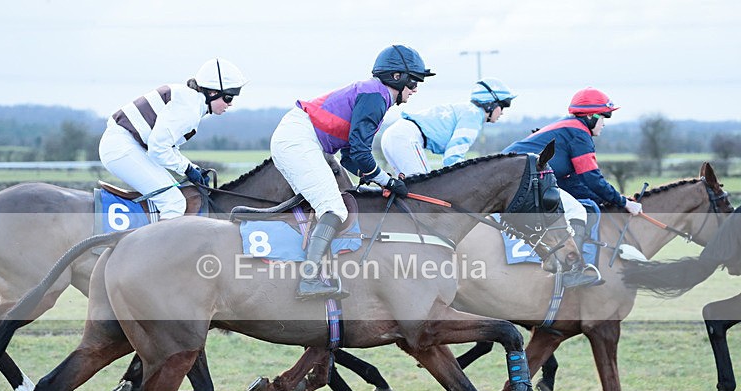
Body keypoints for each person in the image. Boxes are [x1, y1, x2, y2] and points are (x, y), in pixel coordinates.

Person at [271, 44, 434, 300]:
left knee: (331, 204)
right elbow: (360, 154)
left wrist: (379, 182)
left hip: (299, 138)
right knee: (334, 209)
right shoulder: (376, 96)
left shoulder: (375, 95)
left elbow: (349, 157)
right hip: (299, 140)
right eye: (413, 82)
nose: (415, 89)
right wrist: (387, 181)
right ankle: (309, 280)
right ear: (397, 77)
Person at [502, 87, 643, 288]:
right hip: (522, 178)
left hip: (520, 176)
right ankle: (572, 271)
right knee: (576, 209)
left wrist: (614, 199)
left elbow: (576, 184)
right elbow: (592, 178)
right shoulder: (579, 133)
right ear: (591, 117)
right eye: (604, 117)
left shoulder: (570, 129)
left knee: (579, 203)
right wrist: (622, 202)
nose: (604, 124)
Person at [99, 58, 247, 220]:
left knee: (177, 196)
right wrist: (187, 169)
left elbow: (168, 147)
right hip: (122, 148)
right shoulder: (188, 108)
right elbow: (158, 149)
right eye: (228, 97)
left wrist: (193, 167)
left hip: (127, 145)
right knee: (174, 203)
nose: (230, 104)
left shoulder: (189, 101)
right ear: (212, 93)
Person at [381, 78, 516, 176]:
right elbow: (452, 159)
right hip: (405, 138)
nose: (502, 112)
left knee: (408, 193)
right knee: (425, 193)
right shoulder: (474, 116)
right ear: (491, 103)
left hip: (396, 135)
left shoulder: (468, 111)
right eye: (503, 105)